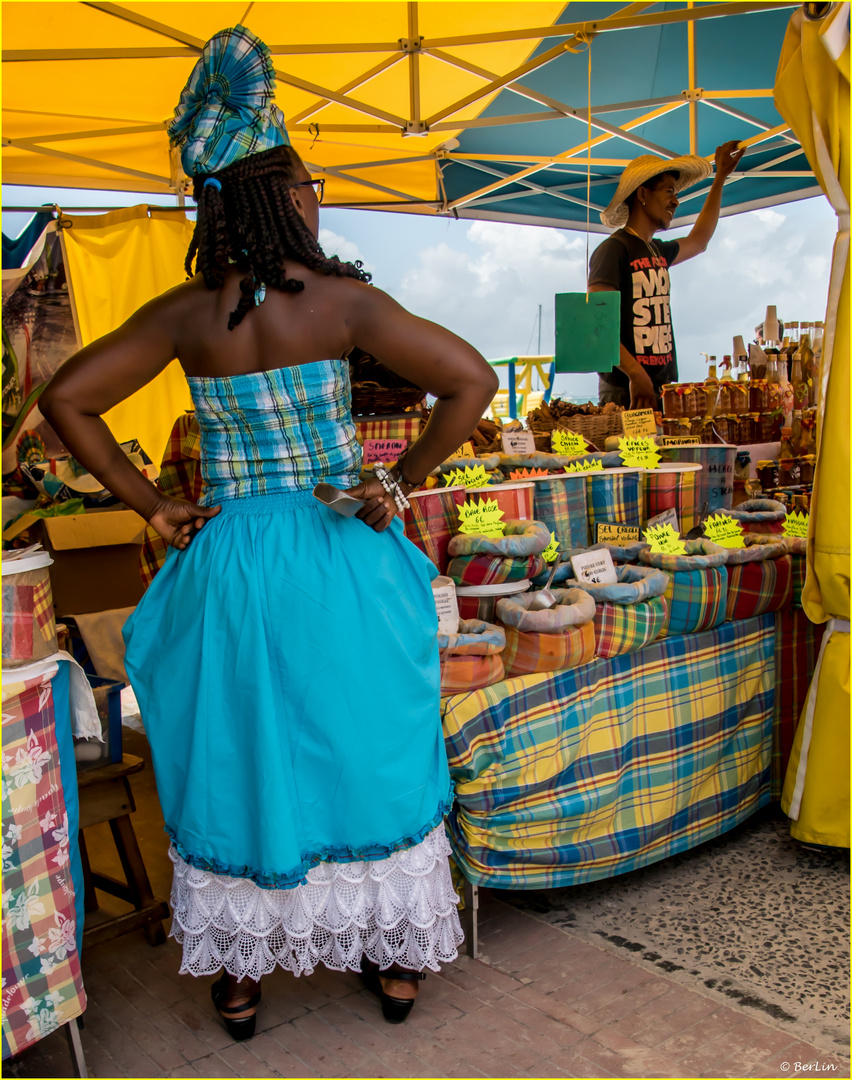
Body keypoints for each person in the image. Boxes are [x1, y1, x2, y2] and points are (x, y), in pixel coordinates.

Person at [40, 25, 497, 1040]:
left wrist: (152, 505)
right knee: (367, 740)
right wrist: (400, 480)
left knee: (240, 749)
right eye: (309, 184)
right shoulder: (344, 303)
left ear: (216, 204)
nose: (318, 197)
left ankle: (242, 976)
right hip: (339, 554)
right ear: (282, 196)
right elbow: (473, 380)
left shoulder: (185, 316)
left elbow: (68, 398)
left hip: (235, 566)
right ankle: (389, 954)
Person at [589, 141, 745, 409]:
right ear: (642, 194)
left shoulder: (657, 250)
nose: (676, 201)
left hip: (660, 390)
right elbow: (596, 322)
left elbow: (699, 240)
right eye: (669, 191)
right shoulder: (613, 249)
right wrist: (635, 373)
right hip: (625, 390)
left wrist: (720, 178)